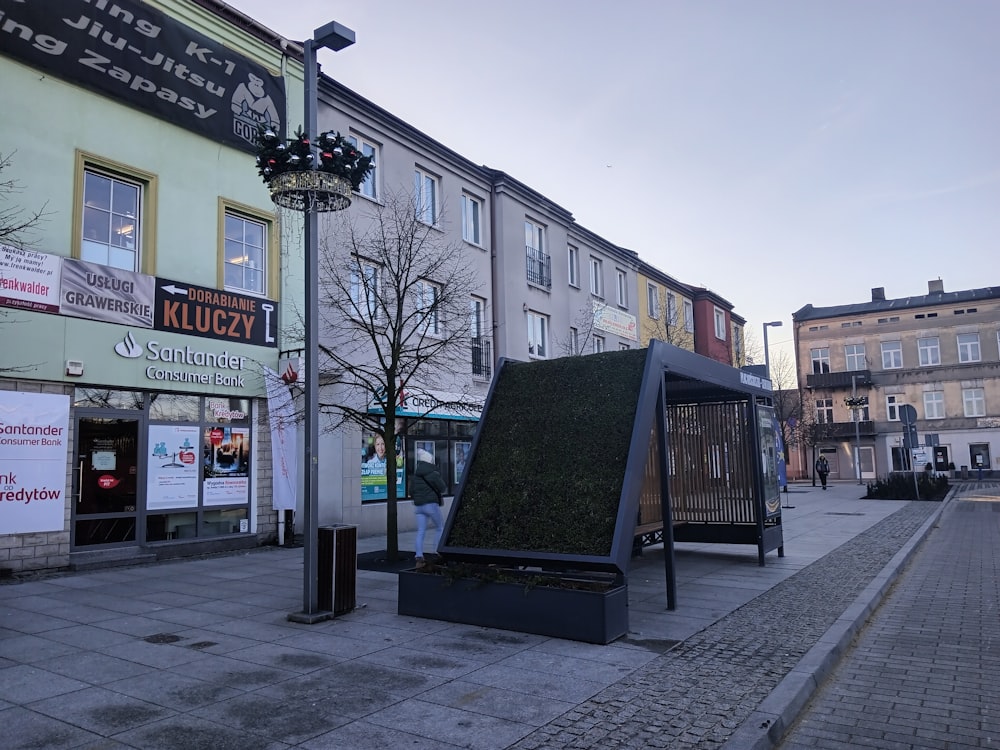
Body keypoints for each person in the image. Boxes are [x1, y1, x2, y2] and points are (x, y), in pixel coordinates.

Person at [412, 448, 447, 568]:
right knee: (440, 527)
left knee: (421, 531)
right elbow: (443, 488)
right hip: (431, 505)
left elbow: (411, 491)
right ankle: (437, 551)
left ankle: (419, 555)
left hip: (419, 506)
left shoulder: (415, 476)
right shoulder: (433, 474)